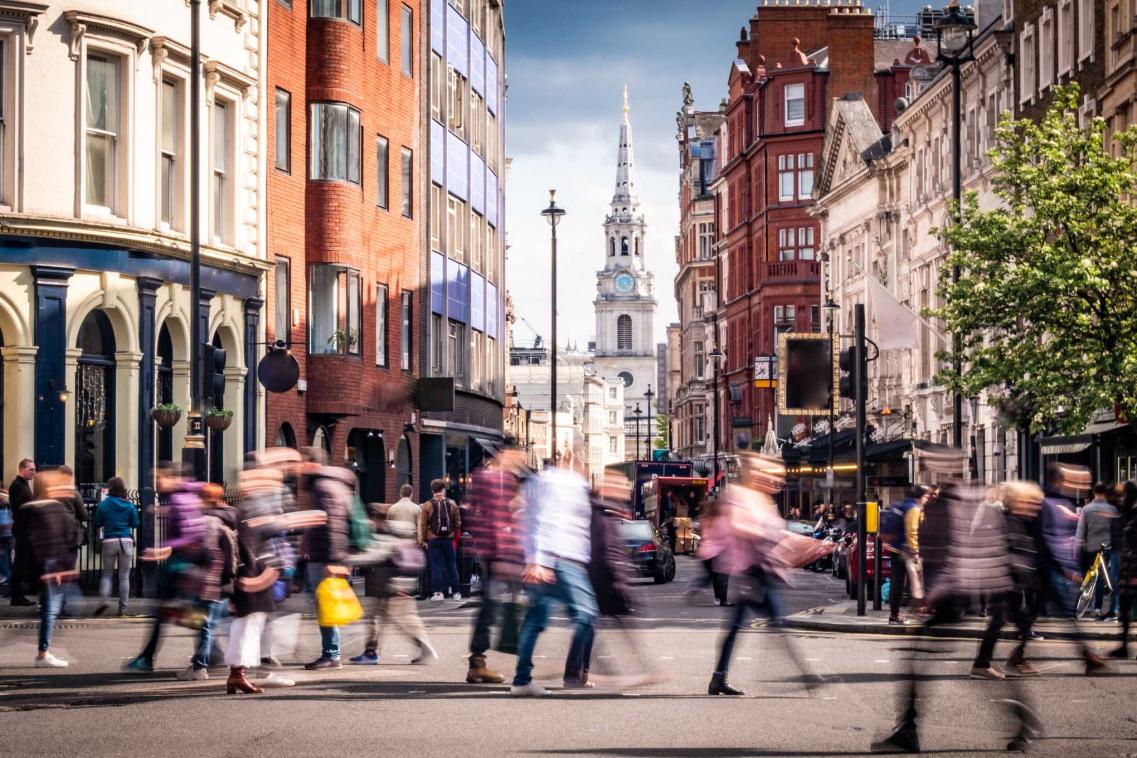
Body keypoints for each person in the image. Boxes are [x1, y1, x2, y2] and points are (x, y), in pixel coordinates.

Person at [874, 447, 1040, 753]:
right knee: (937, 663)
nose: (927, 469)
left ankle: (909, 731)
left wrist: (932, 592)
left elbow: (961, 554)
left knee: (920, 661)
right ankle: (1022, 721)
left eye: (930, 463)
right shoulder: (955, 498)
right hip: (959, 592)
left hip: (958, 593)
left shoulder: (961, 500)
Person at [707, 453, 829, 697]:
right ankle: (805, 676)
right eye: (764, 472)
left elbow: (777, 536)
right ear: (752, 473)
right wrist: (762, 534)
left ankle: (718, 678)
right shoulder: (738, 496)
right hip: (749, 573)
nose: (770, 478)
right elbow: (739, 527)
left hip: (761, 574)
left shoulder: (764, 501)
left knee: (739, 628)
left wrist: (809, 545)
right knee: (773, 626)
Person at [511, 452, 597, 697]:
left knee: (535, 619)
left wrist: (534, 559)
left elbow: (527, 520)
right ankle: (573, 674)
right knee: (586, 614)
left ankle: (522, 680)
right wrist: (540, 561)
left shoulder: (541, 482)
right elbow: (544, 521)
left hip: (553, 559)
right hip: (562, 559)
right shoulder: (562, 483)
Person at [125, 464, 207, 673]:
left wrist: (164, 549)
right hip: (186, 563)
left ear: (171, 477)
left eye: (158, 478)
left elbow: (190, 534)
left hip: (179, 564)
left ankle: (207, 651)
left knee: (169, 611)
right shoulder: (186, 496)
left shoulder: (179, 500)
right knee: (176, 611)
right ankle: (208, 651)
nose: (156, 483)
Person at [348, 502, 436, 667]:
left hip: (388, 586)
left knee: (379, 619)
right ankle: (374, 651)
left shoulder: (385, 535)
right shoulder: (402, 533)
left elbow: (374, 557)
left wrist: (347, 559)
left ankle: (373, 653)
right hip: (401, 584)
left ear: (375, 518)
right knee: (396, 620)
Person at [464, 452, 525, 684]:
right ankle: (479, 662)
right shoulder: (493, 479)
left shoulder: (500, 479)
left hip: (497, 553)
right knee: (492, 606)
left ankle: (480, 661)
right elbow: (491, 521)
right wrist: (500, 556)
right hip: (496, 554)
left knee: (495, 605)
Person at [177, 484, 238, 682]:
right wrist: (229, 578)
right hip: (218, 583)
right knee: (210, 624)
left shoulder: (200, 523)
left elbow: (188, 553)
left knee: (203, 625)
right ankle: (212, 659)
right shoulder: (230, 519)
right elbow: (232, 555)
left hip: (201, 583)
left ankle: (200, 666)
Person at [25, 470, 80, 667]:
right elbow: (49, 541)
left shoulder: (41, 508)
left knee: (57, 608)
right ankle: (42, 653)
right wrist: (57, 568)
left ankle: (42, 650)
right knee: (51, 610)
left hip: (52, 565)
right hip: (52, 565)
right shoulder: (47, 509)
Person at [301, 462, 353, 670]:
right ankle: (332, 652)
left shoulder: (323, 487)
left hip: (324, 558)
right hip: (328, 556)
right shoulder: (336, 485)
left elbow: (331, 525)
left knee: (325, 606)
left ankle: (331, 653)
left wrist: (331, 560)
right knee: (327, 606)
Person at [93, 477, 140, 616]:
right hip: (126, 541)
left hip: (109, 540)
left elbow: (97, 522)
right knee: (124, 576)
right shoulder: (129, 505)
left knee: (107, 574)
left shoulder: (104, 505)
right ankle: (123, 608)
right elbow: (135, 524)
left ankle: (104, 600)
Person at [883, 485, 929, 625]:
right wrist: (915, 551)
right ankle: (906, 614)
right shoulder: (913, 508)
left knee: (899, 582)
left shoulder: (903, 505)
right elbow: (912, 531)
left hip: (896, 548)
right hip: (906, 551)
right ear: (920, 497)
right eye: (926, 496)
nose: (927, 499)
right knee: (914, 583)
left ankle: (894, 615)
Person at [1075, 483, 1119, 620]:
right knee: (1100, 578)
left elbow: (1080, 531)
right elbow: (1115, 530)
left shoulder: (1087, 509)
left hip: (1089, 547)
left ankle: (1085, 604)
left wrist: (1077, 546)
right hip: (1105, 547)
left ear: (1094, 492)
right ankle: (1098, 607)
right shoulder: (1111, 509)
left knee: (1087, 575)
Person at [419, 479, 462, 600]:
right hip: (448, 539)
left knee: (436, 566)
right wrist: (452, 533)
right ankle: (456, 592)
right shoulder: (453, 504)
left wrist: (424, 540)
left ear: (432, 490)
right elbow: (458, 523)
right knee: (452, 565)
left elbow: (423, 524)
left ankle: (438, 593)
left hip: (433, 540)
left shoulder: (427, 505)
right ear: (443, 490)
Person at [1108, 480, 1136, 659]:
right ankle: (1124, 646)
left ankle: (1124, 646)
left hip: (1133, 568)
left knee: (1127, 607)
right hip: (1128, 567)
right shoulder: (1127, 513)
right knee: (1124, 608)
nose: (1121, 497)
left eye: (1123, 493)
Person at [693, 495, 731, 606]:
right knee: (723, 577)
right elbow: (726, 535)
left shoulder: (706, 519)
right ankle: (722, 600)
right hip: (718, 552)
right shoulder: (721, 520)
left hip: (705, 552)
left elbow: (703, 535)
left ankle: (716, 598)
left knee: (715, 577)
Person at [8, 458, 37, 606]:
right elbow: (17, 509)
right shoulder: (18, 485)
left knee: (22, 563)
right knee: (19, 564)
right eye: (31, 469)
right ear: (23, 469)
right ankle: (16, 596)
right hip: (22, 531)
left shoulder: (23, 485)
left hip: (25, 530)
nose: (34, 472)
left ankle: (19, 596)